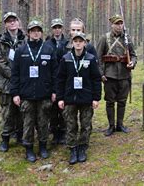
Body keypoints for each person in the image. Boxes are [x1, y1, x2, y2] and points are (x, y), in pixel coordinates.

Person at [10, 20, 58, 162]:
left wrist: (54, 91)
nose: (35, 33)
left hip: (44, 94)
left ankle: (43, 146)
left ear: (41, 33)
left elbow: (55, 73)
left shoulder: (49, 49)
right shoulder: (21, 51)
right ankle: (29, 148)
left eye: (38, 30)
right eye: (33, 30)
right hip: (26, 95)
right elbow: (15, 74)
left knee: (43, 122)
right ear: (28, 33)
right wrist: (15, 93)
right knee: (28, 123)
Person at [56, 32, 101, 164]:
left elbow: (96, 79)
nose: (78, 43)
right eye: (75, 41)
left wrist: (96, 98)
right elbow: (60, 79)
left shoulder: (91, 59)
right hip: (69, 97)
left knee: (86, 124)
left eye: (80, 41)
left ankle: (82, 147)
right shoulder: (66, 59)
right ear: (72, 43)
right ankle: (73, 149)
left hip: (86, 98)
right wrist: (60, 98)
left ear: (84, 43)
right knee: (71, 124)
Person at [0, 12, 26, 152]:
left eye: (14, 20)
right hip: (5, 81)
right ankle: (5, 138)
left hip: (22, 81)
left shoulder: (25, 39)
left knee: (22, 109)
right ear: (5, 24)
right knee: (7, 110)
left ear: (18, 22)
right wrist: (13, 75)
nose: (12, 23)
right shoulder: (0, 40)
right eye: (9, 21)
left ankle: (20, 135)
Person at [96, 15, 137, 136]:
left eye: (121, 24)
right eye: (117, 24)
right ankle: (111, 126)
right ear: (112, 25)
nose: (119, 26)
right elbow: (98, 58)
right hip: (110, 75)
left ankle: (120, 124)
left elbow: (134, 55)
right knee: (110, 102)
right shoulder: (105, 38)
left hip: (124, 75)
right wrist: (101, 74)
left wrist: (132, 63)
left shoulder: (127, 39)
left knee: (122, 101)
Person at [45, 18, 69, 145]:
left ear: (62, 28)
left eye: (59, 27)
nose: (57, 30)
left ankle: (64, 131)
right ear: (52, 29)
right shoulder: (47, 44)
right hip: (51, 79)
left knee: (64, 107)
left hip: (65, 80)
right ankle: (55, 132)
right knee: (53, 108)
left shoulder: (68, 43)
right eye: (55, 27)